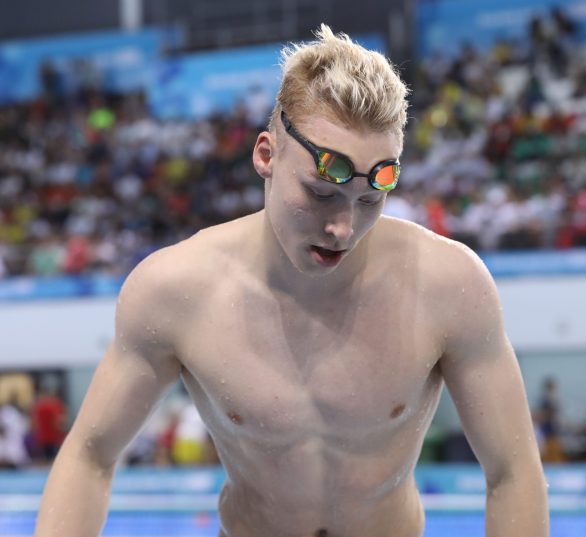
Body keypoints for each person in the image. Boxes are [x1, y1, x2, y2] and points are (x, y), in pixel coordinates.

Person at [35, 25, 548, 537]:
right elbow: (89, 456)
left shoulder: (448, 285)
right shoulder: (174, 290)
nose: (343, 228)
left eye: (370, 201)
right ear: (266, 155)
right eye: (322, 194)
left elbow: (513, 472)